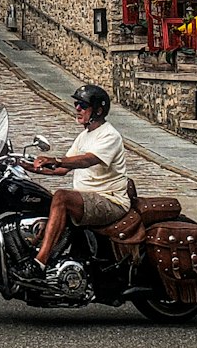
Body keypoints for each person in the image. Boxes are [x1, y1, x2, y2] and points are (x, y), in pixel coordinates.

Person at [22, 83, 129, 278]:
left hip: (110, 201)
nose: (77, 109)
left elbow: (89, 159)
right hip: (88, 199)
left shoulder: (110, 135)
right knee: (41, 199)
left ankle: (40, 263)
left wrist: (55, 159)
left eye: (82, 105)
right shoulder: (84, 136)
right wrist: (25, 166)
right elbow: (63, 169)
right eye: (76, 104)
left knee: (61, 197)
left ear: (98, 110)